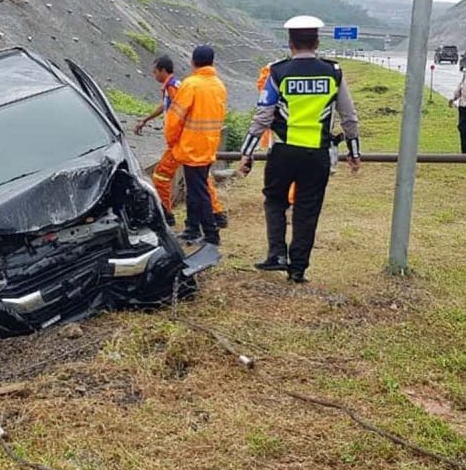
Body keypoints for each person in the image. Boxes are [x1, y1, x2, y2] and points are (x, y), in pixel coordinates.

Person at [238, 16, 361, 283]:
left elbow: (263, 116)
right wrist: (354, 152)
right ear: (317, 42)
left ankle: (277, 255)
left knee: (275, 200)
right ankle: (298, 270)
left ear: (290, 43)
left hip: (283, 152)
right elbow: (349, 117)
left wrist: (246, 152)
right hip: (317, 154)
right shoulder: (333, 72)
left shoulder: (278, 72)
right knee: (308, 209)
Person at [136, 56, 227, 228]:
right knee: (202, 180)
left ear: (163, 71)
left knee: (161, 175)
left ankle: (165, 214)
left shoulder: (176, 87)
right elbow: (165, 106)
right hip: (198, 142)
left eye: (155, 71)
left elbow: (178, 113)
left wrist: (172, 140)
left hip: (183, 142)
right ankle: (216, 214)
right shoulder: (176, 86)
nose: (154, 75)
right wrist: (146, 119)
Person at [164, 46, 227, 245]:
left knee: (198, 190)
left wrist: (172, 141)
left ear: (193, 61)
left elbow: (175, 117)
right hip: (209, 145)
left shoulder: (191, 85)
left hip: (191, 146)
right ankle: (192, 227)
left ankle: (211, 233)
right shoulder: (218, 85)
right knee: (195, 188)